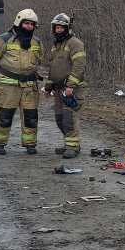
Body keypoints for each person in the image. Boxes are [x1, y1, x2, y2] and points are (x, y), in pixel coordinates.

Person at [0, 9, 44, 155]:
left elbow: (40, 59)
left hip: (29, 87)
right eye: (26, 23)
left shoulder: (37, 42)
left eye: (32, 24)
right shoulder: (4, 39)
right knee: (4, 115)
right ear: (19, 23)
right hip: (7, 85)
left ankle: (30, 144)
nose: (29, 27)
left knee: (31, 116)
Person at [43, 13, 86, 159]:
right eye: (57, 27)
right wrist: (49, 86)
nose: (59, 30)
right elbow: (53, 68)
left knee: (69, 118)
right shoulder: (56, 46)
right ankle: (69, 144)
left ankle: (72, 147)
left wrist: (71, 85)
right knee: (59, 119)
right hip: (59, 89)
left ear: (67, 28)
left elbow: (79, 66)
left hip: (71, 90)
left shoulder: (75, 43)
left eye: (62, 27)